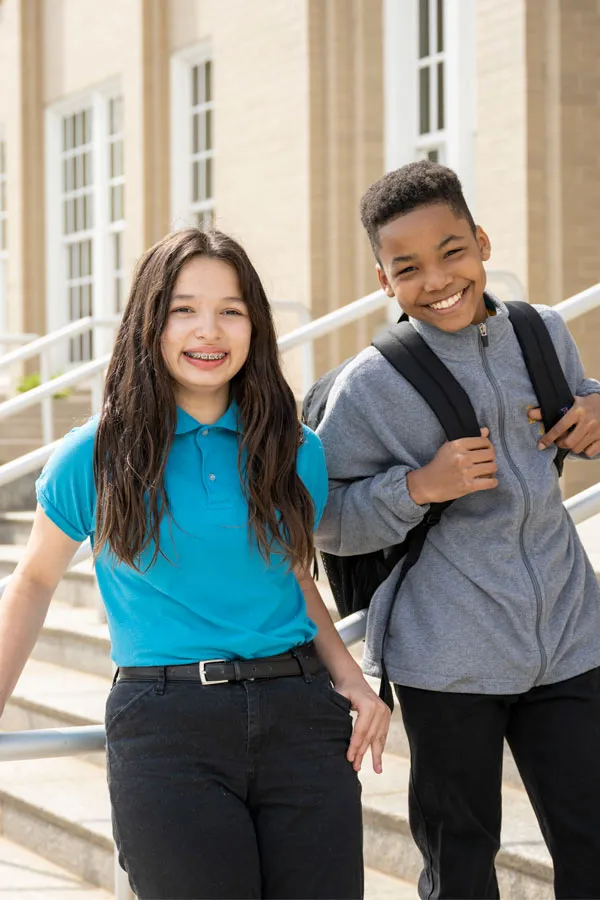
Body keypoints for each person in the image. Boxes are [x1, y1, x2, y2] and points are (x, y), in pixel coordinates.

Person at [0, 228, 390, 900]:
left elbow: (291, 572)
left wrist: (349, 676)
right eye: (184, 309)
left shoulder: (297, 449)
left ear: (255, 326)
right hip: (166, 727)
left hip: (300, 716)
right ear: (149, 321)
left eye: (231, 310)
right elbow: (34, 580)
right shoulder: (94, 456)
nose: (208, 330)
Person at [315, 160, 600, 899]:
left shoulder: (542, 332)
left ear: (481, 241)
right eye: (407, 267)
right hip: (445, 660)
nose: (438, 279)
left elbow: (580, 399)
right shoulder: (370, 385)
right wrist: (417, 487)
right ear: (384, 281)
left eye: (452, 252)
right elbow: (321, 521)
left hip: (571, 638)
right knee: (462, 866)